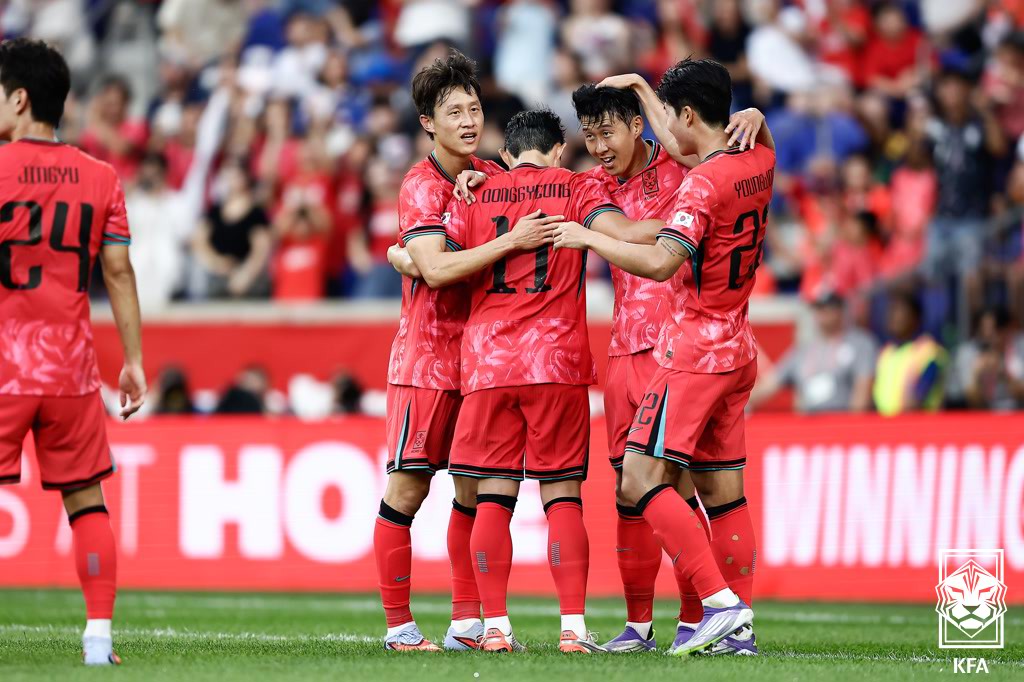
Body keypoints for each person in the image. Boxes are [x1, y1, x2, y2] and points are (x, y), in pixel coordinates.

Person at [553, 57, 776, 656]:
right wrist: (754, 117)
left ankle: (712, 610)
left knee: (654, 482)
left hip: (684, 348)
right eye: (589, 135)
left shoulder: (695, 176)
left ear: (646, 126)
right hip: (671, 346)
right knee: (689, 494)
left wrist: (595, 236)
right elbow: (635, 219)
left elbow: (645, 246)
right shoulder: (746, 161)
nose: (598, 147)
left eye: (608, 132)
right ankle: (666, 626)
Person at [440, 108, 667, 654]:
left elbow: (440, 263)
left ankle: (495, 628)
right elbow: (627, 233)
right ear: (559, 150)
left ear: (505, 154)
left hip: (490, 364)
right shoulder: (578, 186)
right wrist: (688, 222)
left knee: (492, 498)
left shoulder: (472, 193)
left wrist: (402, 248)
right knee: (562, 497)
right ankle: (572, 629)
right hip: (556, 363)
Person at [0, 38, 146, 666]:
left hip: (4, 366)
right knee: (87, 502)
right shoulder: (101, 176)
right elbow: (118, 272)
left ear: (19, 98)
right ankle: (98, 640)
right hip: (69, 370)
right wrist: (133, 359)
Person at [375, 50, 509, 654]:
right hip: (426, 363)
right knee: (408, 491)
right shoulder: (420, 184)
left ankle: (466, 624)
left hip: (478, 362)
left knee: (472, 491)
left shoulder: (491, 175)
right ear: (428, 122)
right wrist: (414, 258)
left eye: (473, 108)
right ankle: (399, 627)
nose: (468, 120)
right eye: (454, 111)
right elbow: (433, 269)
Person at [750, 292, 877, 413]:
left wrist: (853, 423)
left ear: (840, 309)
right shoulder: (803, 350)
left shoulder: (860, 344)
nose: (822, 313)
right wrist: (742, 402)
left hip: (842, 418)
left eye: (827, 307)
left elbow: (863, 390)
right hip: (809, 421)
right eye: (818, 308)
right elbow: (770, 384)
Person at [873, 293, 947, 415]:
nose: (893, 317)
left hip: (917, 423)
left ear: (915, 317)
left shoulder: (929, 351)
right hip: (884, 424)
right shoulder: (886, 352)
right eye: (891, 311)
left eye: (899, 311)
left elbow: (918, 396)